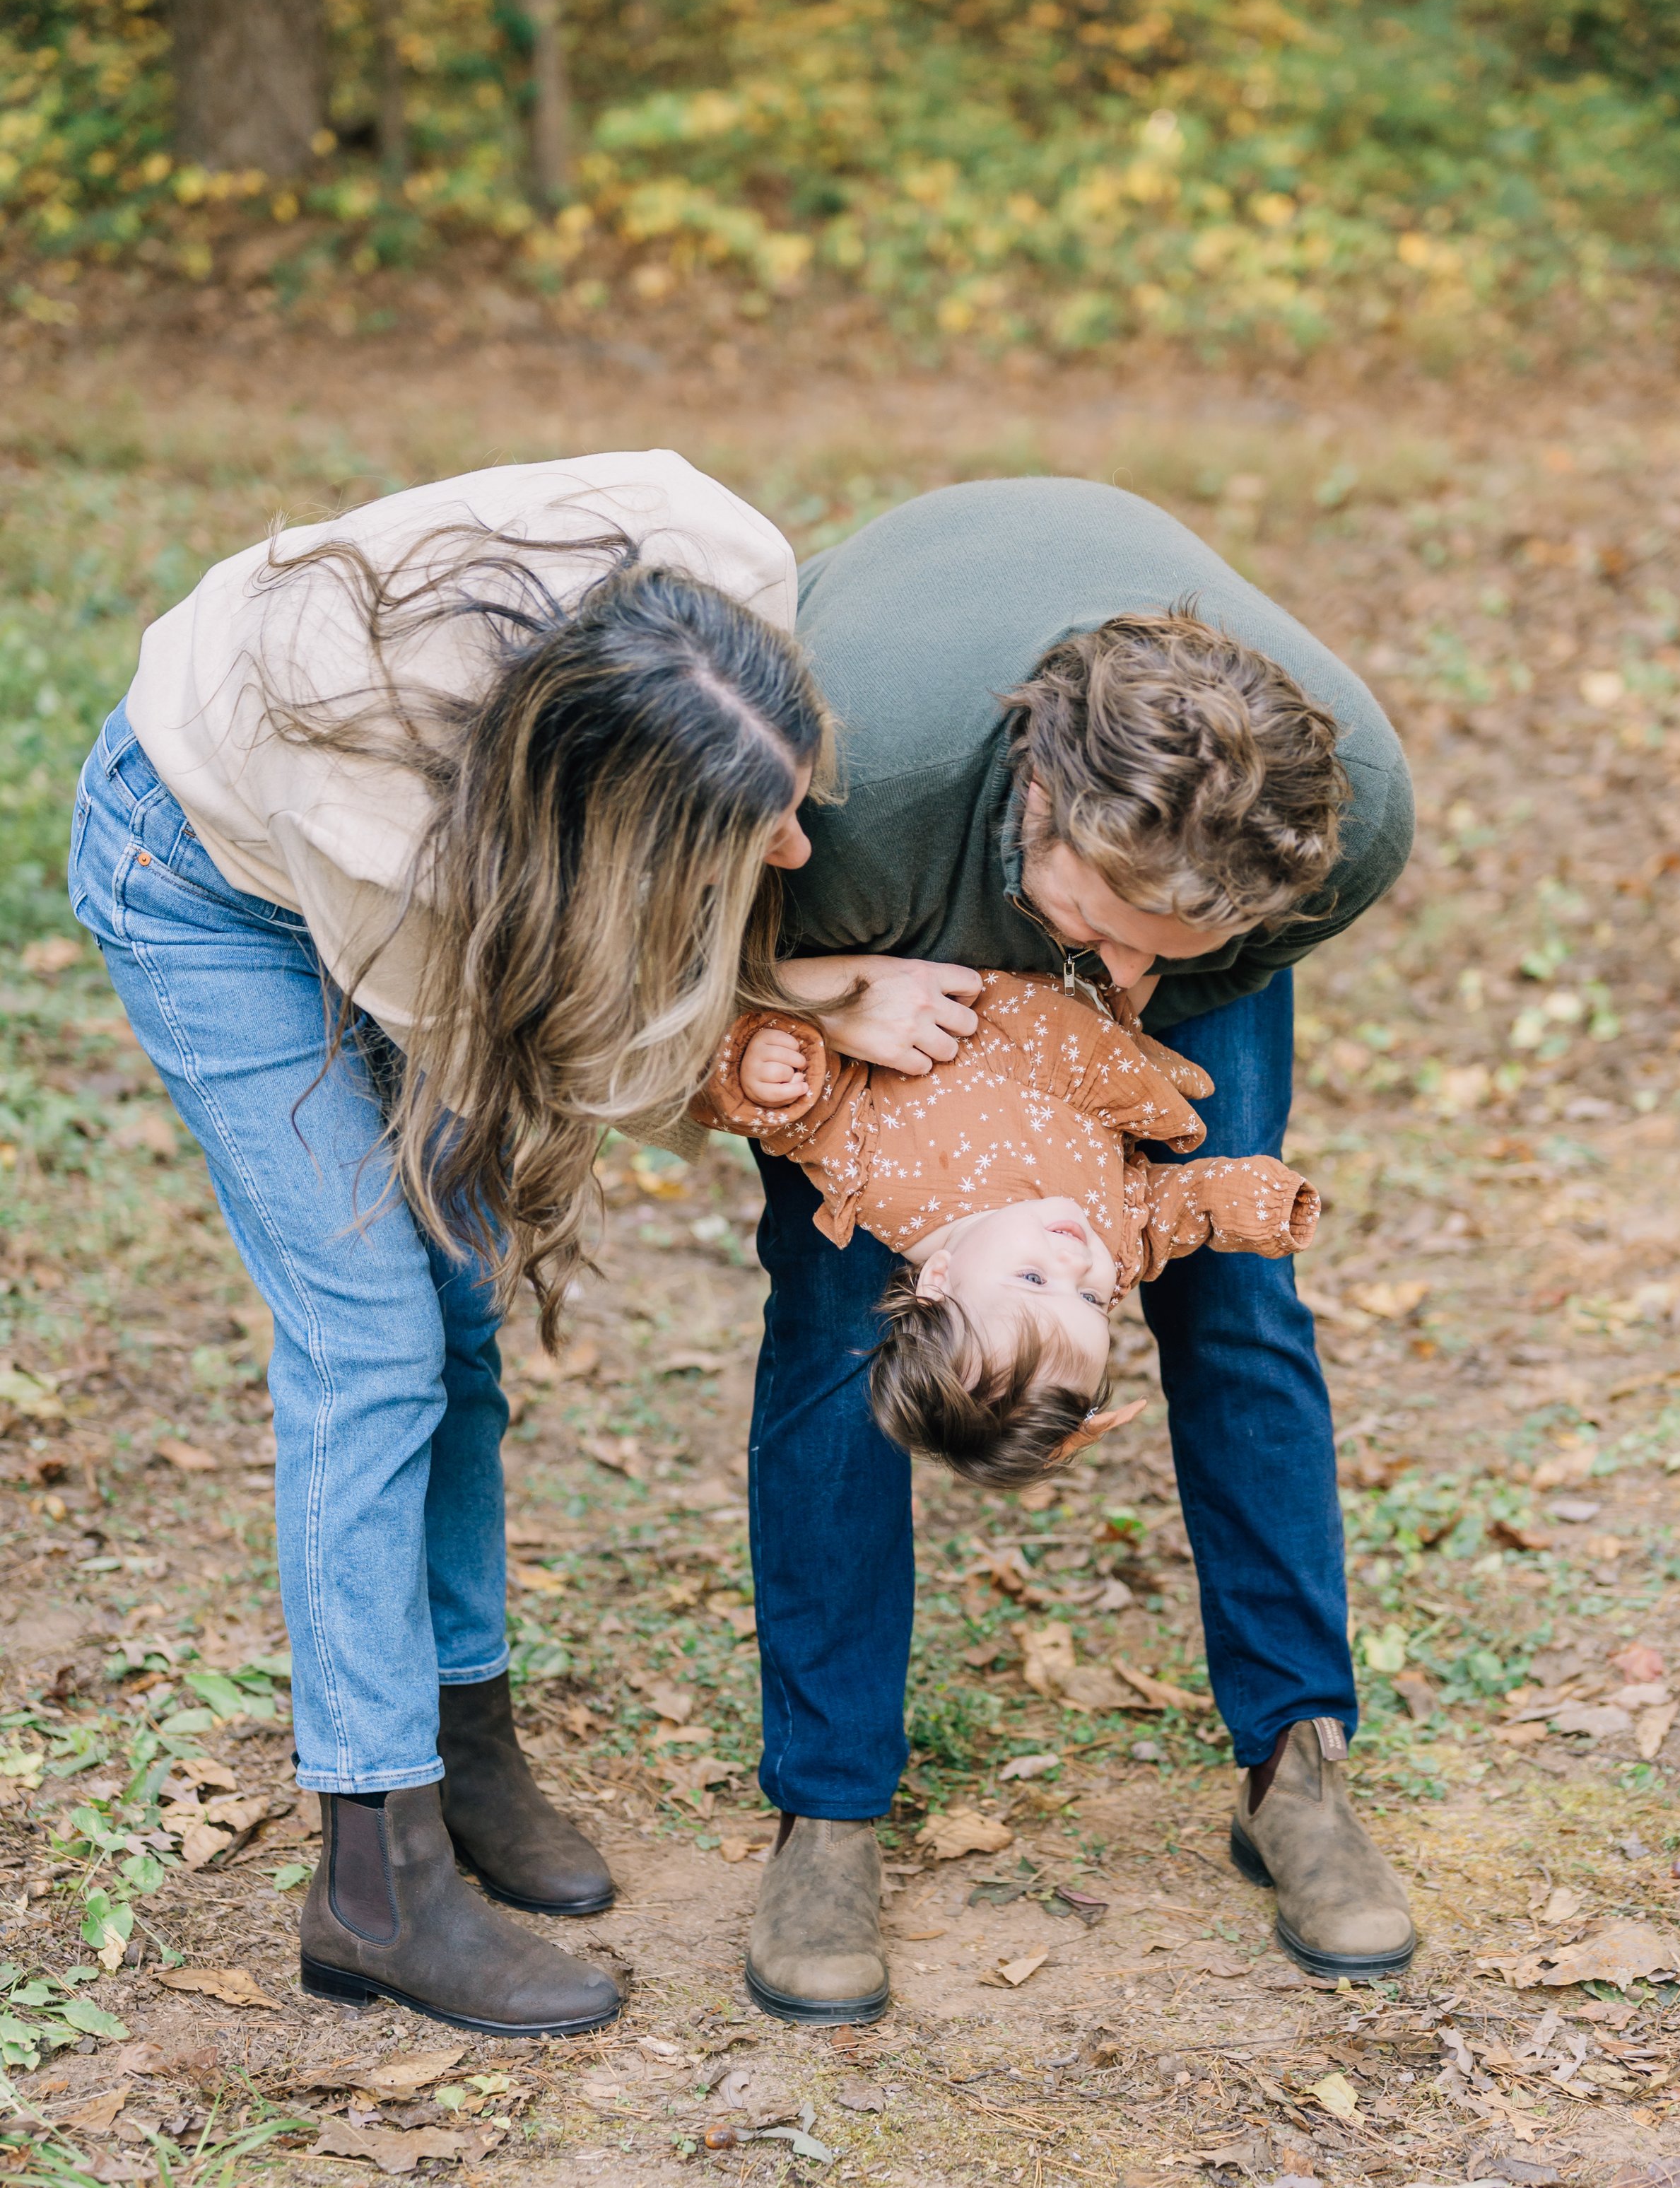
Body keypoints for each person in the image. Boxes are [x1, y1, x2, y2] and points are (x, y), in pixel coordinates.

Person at [69, 451, 824, 2037]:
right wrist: (812, 1009)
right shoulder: (396, 848)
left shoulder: (716, 556)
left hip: (449, 839)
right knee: (371, 1337)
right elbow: (588, 1064)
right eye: (743, 836)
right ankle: (374, 1873)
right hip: (208, 880)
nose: (795, 856)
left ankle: (463, 1744)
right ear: (605, 839)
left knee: (461, 1313)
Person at [733, 482, 1418, 2027]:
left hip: (1170, 880)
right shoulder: (853, 782)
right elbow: (670, 960)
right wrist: (823, 995)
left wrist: (1138, 1008)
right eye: (1088, 920)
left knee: (1232, 1293)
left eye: (1151, 949)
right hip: (894, 909)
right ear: (1040, 805)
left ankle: (1292, 1763)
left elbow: (1159, 950)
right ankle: (827, 1806)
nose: (1107, 979)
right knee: (851, 1303)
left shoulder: (1341, 819)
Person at [691, 967, 1319, 1485]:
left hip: (957, 964)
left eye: (1032, 1278)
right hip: (1096, 978)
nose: (1075, 1264)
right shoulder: (1110, 1245)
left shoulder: (878, 1180)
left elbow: (813, 1108)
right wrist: (1248, 1203)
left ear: (938, 1279)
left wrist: (763, 1072)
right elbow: (1165, 1210)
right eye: (1093, 1300)